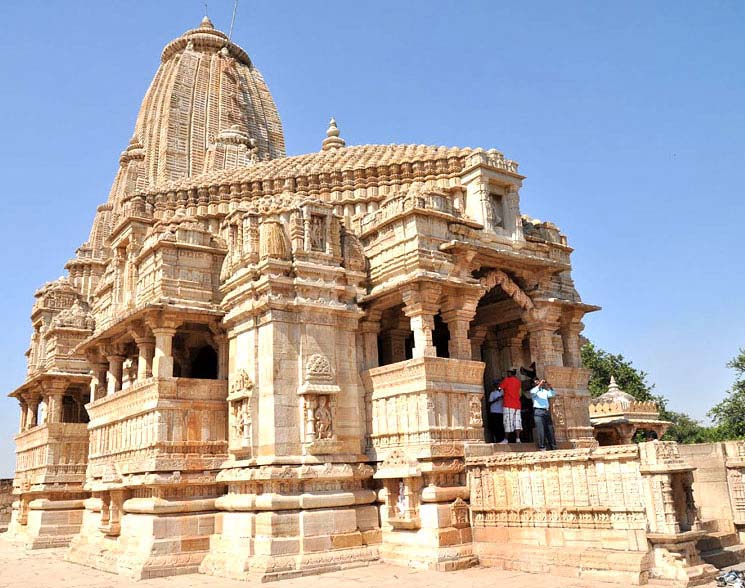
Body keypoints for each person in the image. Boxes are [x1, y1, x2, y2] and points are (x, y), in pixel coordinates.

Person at [530, 378, 557, 451]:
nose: (538, 382)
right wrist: (539, 384)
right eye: (536, 381)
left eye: (538, 380)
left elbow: (553, 394)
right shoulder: (533, 391)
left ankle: (553, 446)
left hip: (546, 411)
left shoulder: (545, 391)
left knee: (550, 429)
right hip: (538, 411)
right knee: (540, 429)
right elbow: (533, 392)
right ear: (533, 384)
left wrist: (550, 387)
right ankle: (542, 447)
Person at [500, 368, 523, 444]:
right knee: (517, 422)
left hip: (508, 404)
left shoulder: (506, 380)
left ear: (510, 373)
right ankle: (518, 439)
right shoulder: (518, 382)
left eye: (508, 372)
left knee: (507, 421)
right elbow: (520, 394)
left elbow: (500, 389)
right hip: (517, 404)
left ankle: (506, 439)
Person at [486, 378, 505, 442]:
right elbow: (490, 402)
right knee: (495, 426)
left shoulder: (503, 392)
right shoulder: (493, 393)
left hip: (501, 411)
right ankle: (497, 438)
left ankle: (502, 438)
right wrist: (496, 399)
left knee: (501, 425)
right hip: (494, 411)